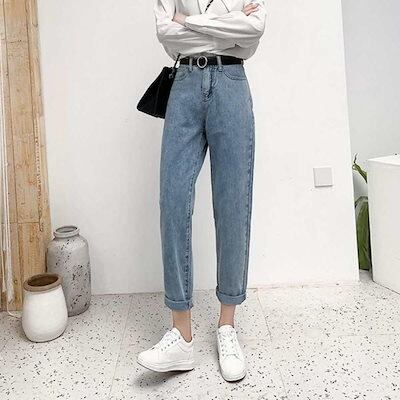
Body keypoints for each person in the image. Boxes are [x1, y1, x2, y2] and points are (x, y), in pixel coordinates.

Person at [137, 0, 266, 382]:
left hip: (232, 84)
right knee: (173, 201)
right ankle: (181, 335)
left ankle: (227, 325)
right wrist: (228, 25)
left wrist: (190, 21)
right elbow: (166, 32)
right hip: (185, 85)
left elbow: (254, 30)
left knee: (233, 205)